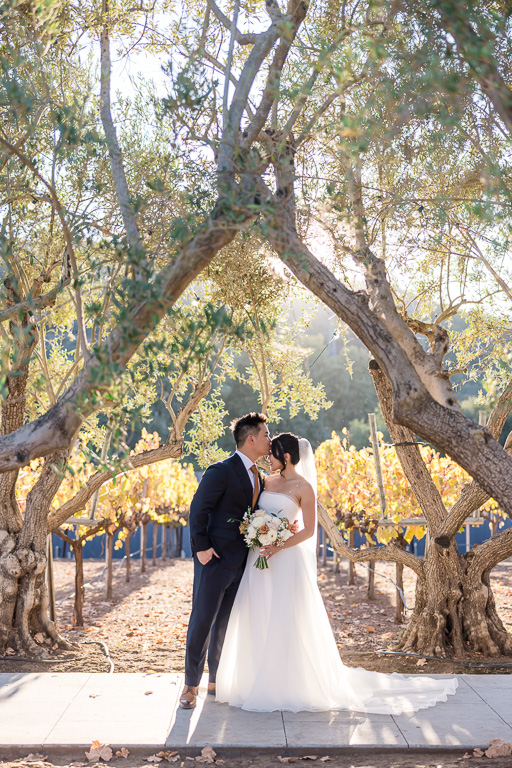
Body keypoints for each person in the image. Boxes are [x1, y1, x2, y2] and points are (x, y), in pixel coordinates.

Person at [215, 432, 458, 714]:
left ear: (287, 457)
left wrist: (278, 545)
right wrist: (257, 534)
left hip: (284, 560)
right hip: (259, 558)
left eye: (272, 455)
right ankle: (250, 679)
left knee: (284, 616)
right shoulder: (265, 481)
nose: (267, 459)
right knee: (257, 613)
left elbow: (307, 530)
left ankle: (284, 683)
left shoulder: (303, 487)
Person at [179, 412, 271, 709]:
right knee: (202, 620)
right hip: (214, 560)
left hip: (242, 562)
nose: (270, 440)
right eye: (266, 435)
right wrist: (201, 548)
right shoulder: (221, 470)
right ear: (251, 438)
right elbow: (198, 510)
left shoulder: (259, 475)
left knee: (225, 624)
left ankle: (215, 680)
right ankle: (190, 685)